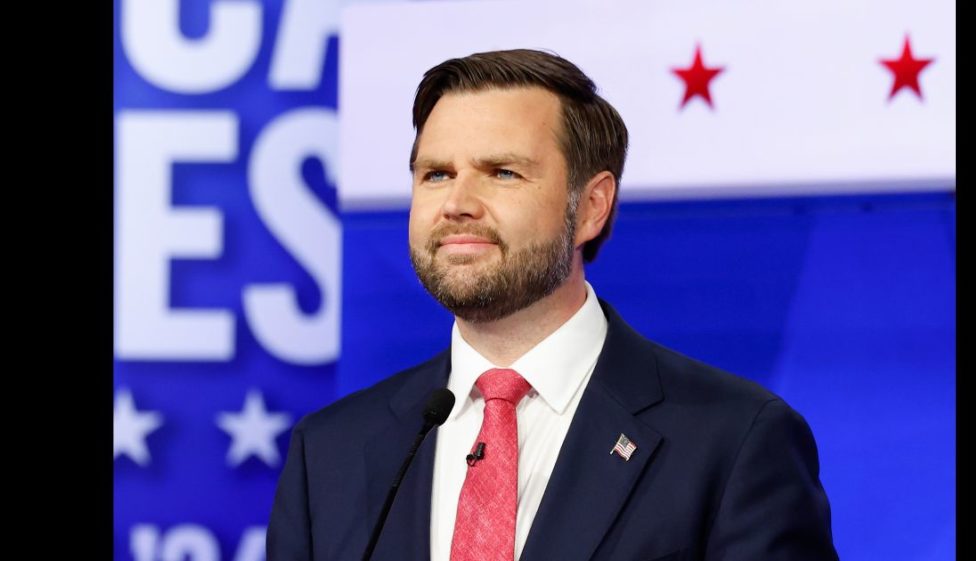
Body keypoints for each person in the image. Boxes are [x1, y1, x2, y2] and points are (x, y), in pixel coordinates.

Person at [267, 49, 839, 561]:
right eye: (436, 174)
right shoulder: (330, 453)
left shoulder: (733, 440)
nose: (458, 203)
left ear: (591, 206)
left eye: (503, 173)